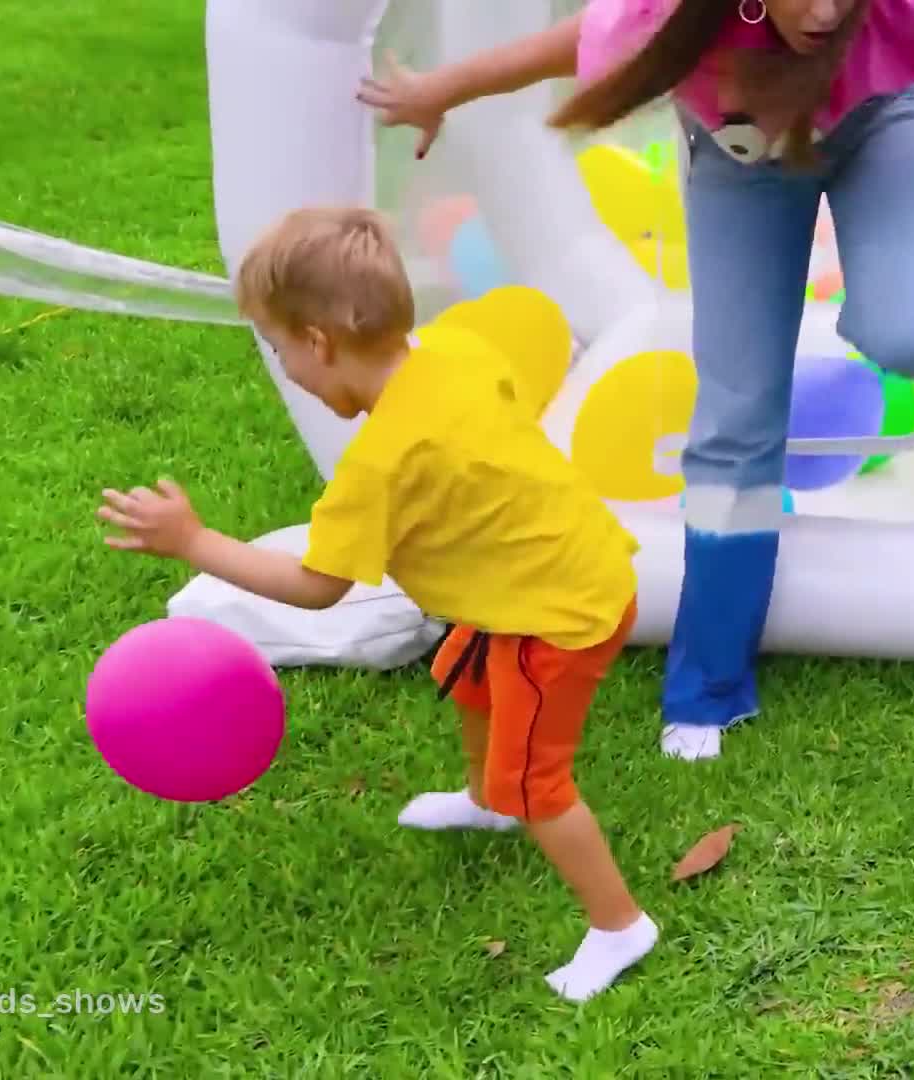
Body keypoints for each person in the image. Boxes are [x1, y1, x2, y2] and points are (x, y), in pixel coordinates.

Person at [357, 0, 914, 762]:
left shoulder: (911, 8)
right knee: (736, 416)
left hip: (880, 125)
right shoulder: (673, 15)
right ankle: (708, 688)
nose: (827, 12)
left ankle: (881, 300)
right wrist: (439, 91)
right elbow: (558, 48)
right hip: (740, 164)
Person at [94, 207, 656, 1002]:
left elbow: (315, 587)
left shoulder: (381, 464)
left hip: (555, 617)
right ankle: (486, 800)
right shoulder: (457, 352)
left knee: (539, 783)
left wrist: (193, 541)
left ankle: (619, 924)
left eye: (279, 347)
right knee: (469, 680)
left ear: (318, 341)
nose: (285, 366)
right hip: (559, 571)